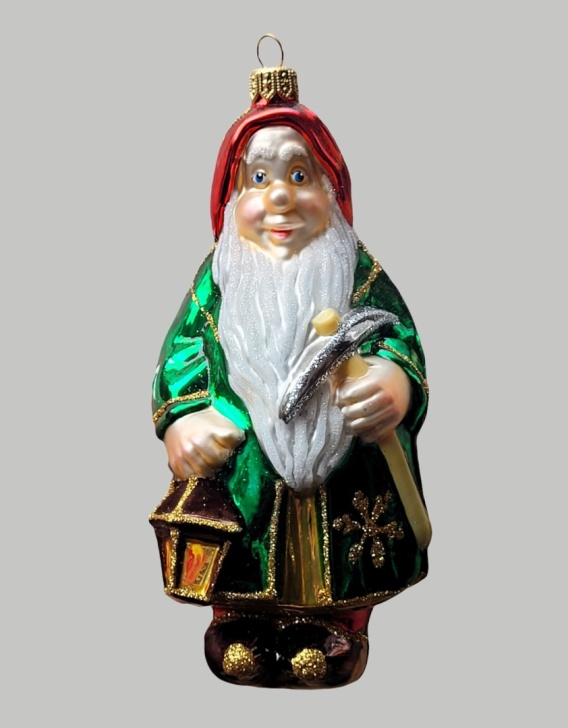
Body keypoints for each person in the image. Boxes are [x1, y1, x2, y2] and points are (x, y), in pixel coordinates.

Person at [151, 59, 430, 688]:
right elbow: (181, 353)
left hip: (345, 470)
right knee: (237, 547)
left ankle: (336, 629)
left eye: (299, 175)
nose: (279, 196)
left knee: (345, 556)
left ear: (332, 191)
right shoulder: (219, 281)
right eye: (259, 178)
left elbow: (397, 336)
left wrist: (394, 382)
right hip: (245, 467)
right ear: (233, 198)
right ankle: (240, 622)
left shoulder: (358, 274)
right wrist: (184, 420)